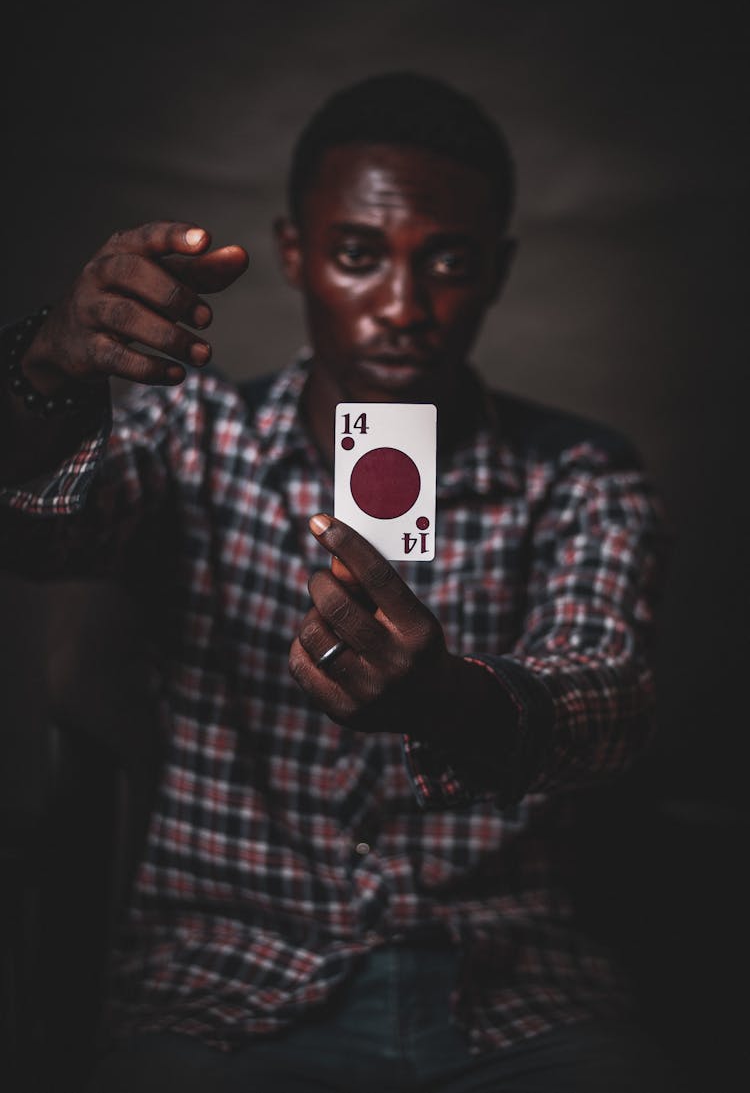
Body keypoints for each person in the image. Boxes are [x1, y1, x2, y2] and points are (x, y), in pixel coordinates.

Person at [0, 72, 675, 1091]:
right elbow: (37, 534)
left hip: (515, 994)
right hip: (218, 985)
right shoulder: (191, 437)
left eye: (447, 260)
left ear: (497, 271)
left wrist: (455, 701)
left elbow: (609, 699)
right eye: (360, 255)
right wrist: (43, 372)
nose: (403, 306)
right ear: (293, 253)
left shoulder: (578, 473)